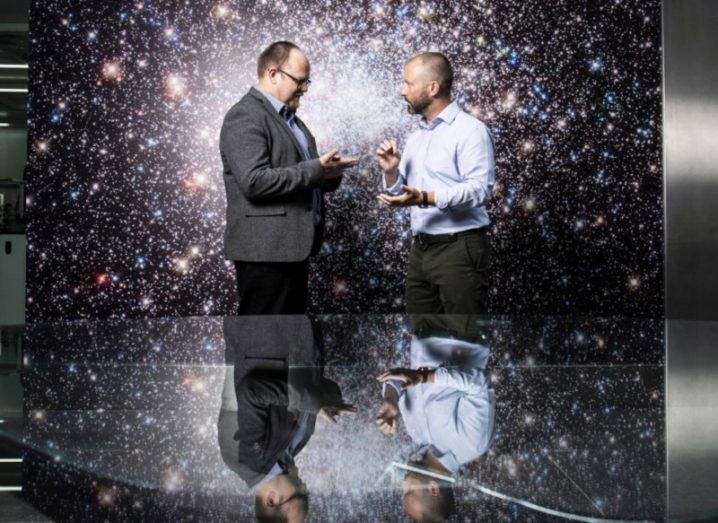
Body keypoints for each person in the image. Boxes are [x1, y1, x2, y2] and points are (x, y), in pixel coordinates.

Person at [220, 41, 357, 314]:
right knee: (263, 345)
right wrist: (317, 169)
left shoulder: (291, 119)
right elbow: (255, 182)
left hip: (292, 249)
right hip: (265, 252)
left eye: (308, 82)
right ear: (273, 74)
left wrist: (330, 174)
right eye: (300, 81)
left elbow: (304, 173)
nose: (305, 89)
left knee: (288, 342)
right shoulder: (245, 116)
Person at [376, 52, 495, 314]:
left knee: (465, 340)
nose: (401, 91)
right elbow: (404, 193)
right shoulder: (417, 137)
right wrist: (392, 173)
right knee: (421, 338)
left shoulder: (470, 130)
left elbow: (479, 190)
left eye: (408, 83)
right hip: (421, 251)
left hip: (459, 250)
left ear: (433, 88)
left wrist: (426, 198)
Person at [218, 316, 355, 522]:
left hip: (266, 322)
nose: (304, 486)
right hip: (299, 327)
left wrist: (313, 403)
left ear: (271, 500)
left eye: (299, 495)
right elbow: (314, 388)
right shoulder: (294, 449)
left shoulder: (245, 460)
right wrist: (329, 400)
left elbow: (251, 391)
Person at [375, 315, 495, 522]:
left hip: (422, 324)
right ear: (433, 487)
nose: (402, 486)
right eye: (408, 492)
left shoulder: (416, 435)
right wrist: (425, 377)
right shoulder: (472, 445)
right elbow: (480, 384)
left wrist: (391, 399)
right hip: (461, 325)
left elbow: (401, 377)